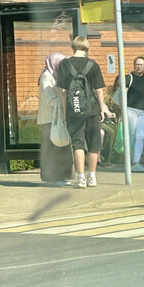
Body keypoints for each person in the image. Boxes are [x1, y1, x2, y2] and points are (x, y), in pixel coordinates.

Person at [56, 36, 113, 189]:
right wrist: (102, 109)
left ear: (72, 47)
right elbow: (99, 91)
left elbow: (63, 92)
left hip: (74, 110)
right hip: (92, 110)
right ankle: (92, 177)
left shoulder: (64, 65)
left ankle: (81, 178)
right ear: (87, 48)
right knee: (94, 144)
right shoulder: (93, 65)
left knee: (78, 144)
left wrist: (64, 113)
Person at [37, 52, 72, 185]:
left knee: (61, 146)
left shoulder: (56, 75)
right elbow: (48, 97)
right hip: (49, 119)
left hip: (57, 117)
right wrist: (62, 101)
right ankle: (51, 178)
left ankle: (61, 176)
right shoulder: (46, 77)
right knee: (50, 149)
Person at [114, 56, 144, 172]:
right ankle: (130, 161)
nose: (139, 66)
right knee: (131, 136)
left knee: (140, 136)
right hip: (130, 110)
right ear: (134, 65)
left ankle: (135, 161)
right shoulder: (129, 78)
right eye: (137, 64)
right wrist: (122, 109)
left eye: (141, 65)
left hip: (143, 111)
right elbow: (122, 93)